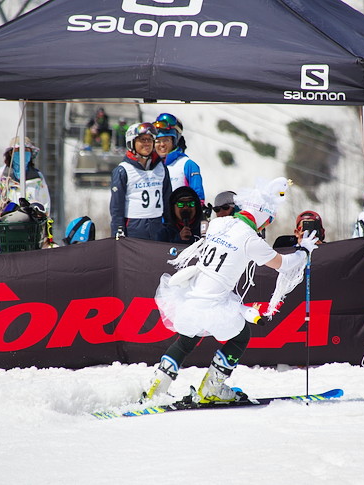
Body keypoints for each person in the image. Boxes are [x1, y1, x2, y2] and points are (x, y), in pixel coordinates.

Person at [145, 177, 320, 403]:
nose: (265, 226)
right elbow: (283, 265)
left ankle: (157, 384)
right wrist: (304, 251)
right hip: (214, 304)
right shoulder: (251, 240)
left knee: (186, 339)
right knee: (240, 336)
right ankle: (211, 388)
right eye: (267, 221)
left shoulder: (218, 224)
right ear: (262, 216)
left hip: (190, 298)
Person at [109, 122, 171, 240]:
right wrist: (118, 230)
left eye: (149, 140)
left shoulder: (161, 168)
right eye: (142, 140)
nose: (147, 143)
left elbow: (167, 199)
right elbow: (117, 206)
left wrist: (170, 226)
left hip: (157, 226)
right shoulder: (123, 170)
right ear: (132, 142)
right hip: (134, 227)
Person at [0, 137, 51, 216]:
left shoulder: (38, 178)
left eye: (26, 150)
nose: (22, 153)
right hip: (5, 224)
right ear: (10, 153)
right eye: (18, 150)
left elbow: (46, 206)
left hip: (31, 225)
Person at [153, 113, 205, 204]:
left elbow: (198, 198)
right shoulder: (151, 166)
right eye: (157, 141)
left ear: (174, 141)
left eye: (166, 140)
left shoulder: (187, 164)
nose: (161, 145)